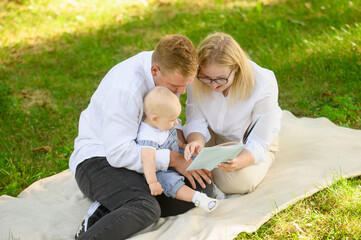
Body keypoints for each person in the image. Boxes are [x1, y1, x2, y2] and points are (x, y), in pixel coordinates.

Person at [69, 34, 214, 240]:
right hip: (98, 161)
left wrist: (182, 143)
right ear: (155, 70)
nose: (180, 92)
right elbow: (118, 154)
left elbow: (166, 118)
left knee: (200, 186)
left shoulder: (166, 71)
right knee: (146, 208)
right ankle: (107, 212)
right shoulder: (126, 89)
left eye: (185, 86)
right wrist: (174, 159)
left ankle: (113, 203)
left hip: (143, 153)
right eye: (175, 88)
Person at [183, 32, 282, 195]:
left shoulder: (263, 82)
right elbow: (195, 120)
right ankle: (207, 173)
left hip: (248, 142)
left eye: (221, 79)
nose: (213, 85)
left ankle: (206, 175)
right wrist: (196, 142)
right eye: (207, 78)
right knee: (180, 155)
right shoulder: (197, 78)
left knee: (240, 182)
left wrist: (238, 162)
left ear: (236, 67)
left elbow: (259, 142)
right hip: (213, 134)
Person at [137, 86, 219, 212]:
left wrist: (184, 146)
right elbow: (147, 160)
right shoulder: (148, 135)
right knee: (169, 180)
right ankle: (198, 198)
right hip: (159, 170)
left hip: (175, 153)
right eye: (173, 120)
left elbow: (175, 140)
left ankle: (213, 187)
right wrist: (153, 182)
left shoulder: (162, 123)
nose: (176, 123)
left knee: (197, 158)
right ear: (155, 118)